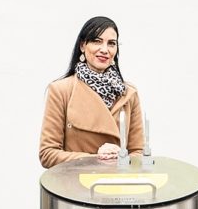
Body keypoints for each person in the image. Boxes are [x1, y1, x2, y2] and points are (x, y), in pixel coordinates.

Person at [39, 16, 144, 168]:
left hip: (118, 187)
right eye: (96, 41)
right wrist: (96, 159)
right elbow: (47, 154)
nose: (104, 49)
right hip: (74, 187)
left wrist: (121, 157)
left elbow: (138, 153)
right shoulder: (61, 90)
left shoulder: (129, 94)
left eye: (111, 44)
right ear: (83, 45)